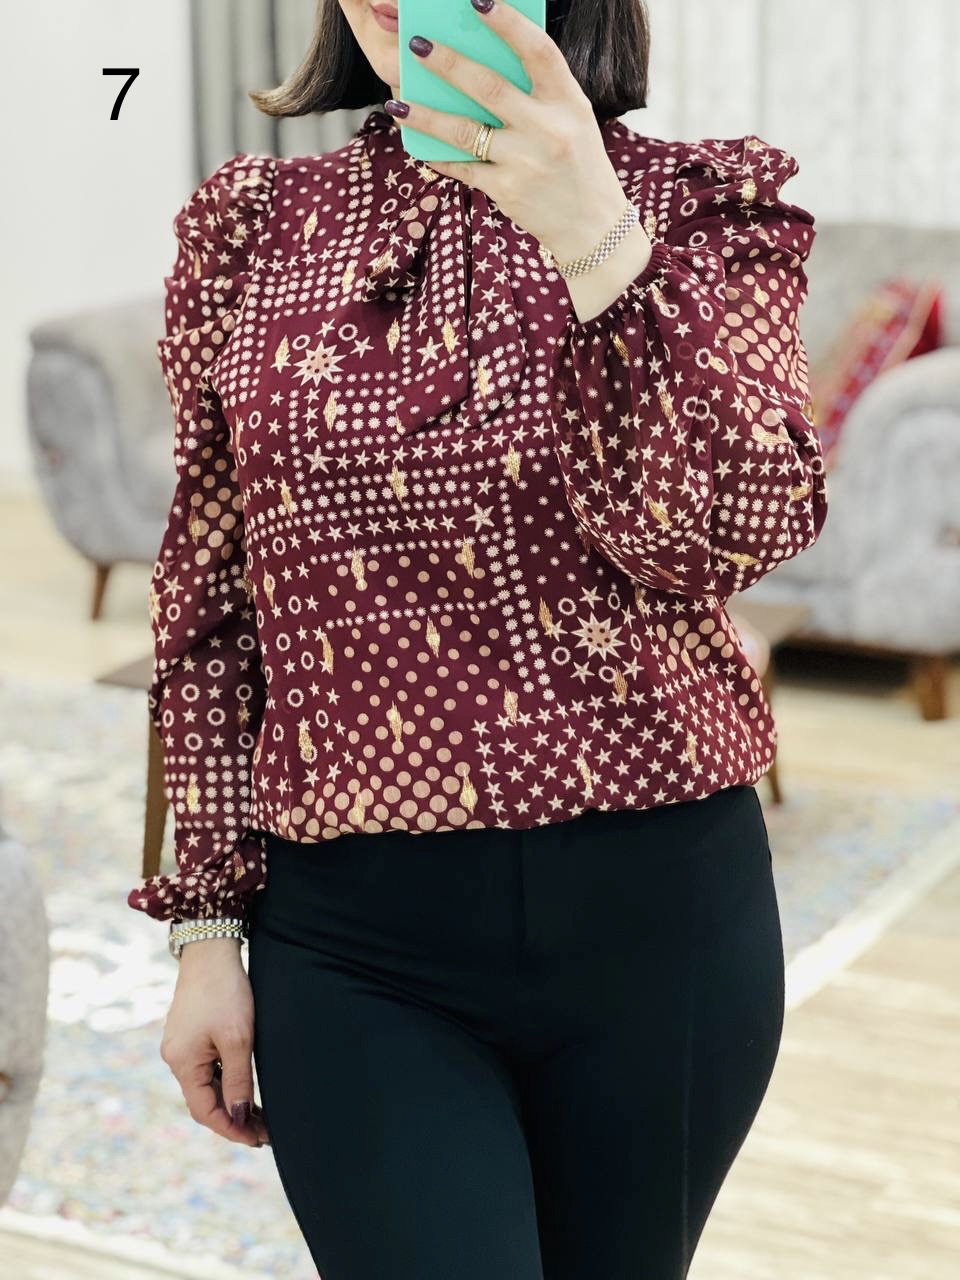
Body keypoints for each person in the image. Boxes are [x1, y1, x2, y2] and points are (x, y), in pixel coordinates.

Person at [127, 1, 828, 1275]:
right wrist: (207, 926)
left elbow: (735, 532)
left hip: (663, 922)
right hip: (354, 943)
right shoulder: (248, 227)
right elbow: (211, 602)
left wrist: (596, 237)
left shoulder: (705, 207)